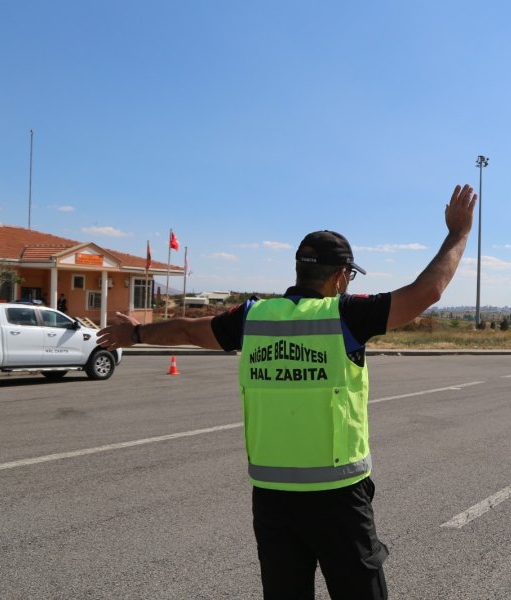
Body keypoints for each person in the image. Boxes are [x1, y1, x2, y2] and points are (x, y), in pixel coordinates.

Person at [96, 183, 477, 600]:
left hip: (273, 499)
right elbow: (427, 292)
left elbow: (189, 327)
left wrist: (135, 333)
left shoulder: (253, 318)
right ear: (340, 276)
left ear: (298, 272)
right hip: (337, 499)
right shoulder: (345, 315)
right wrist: (457, 234)